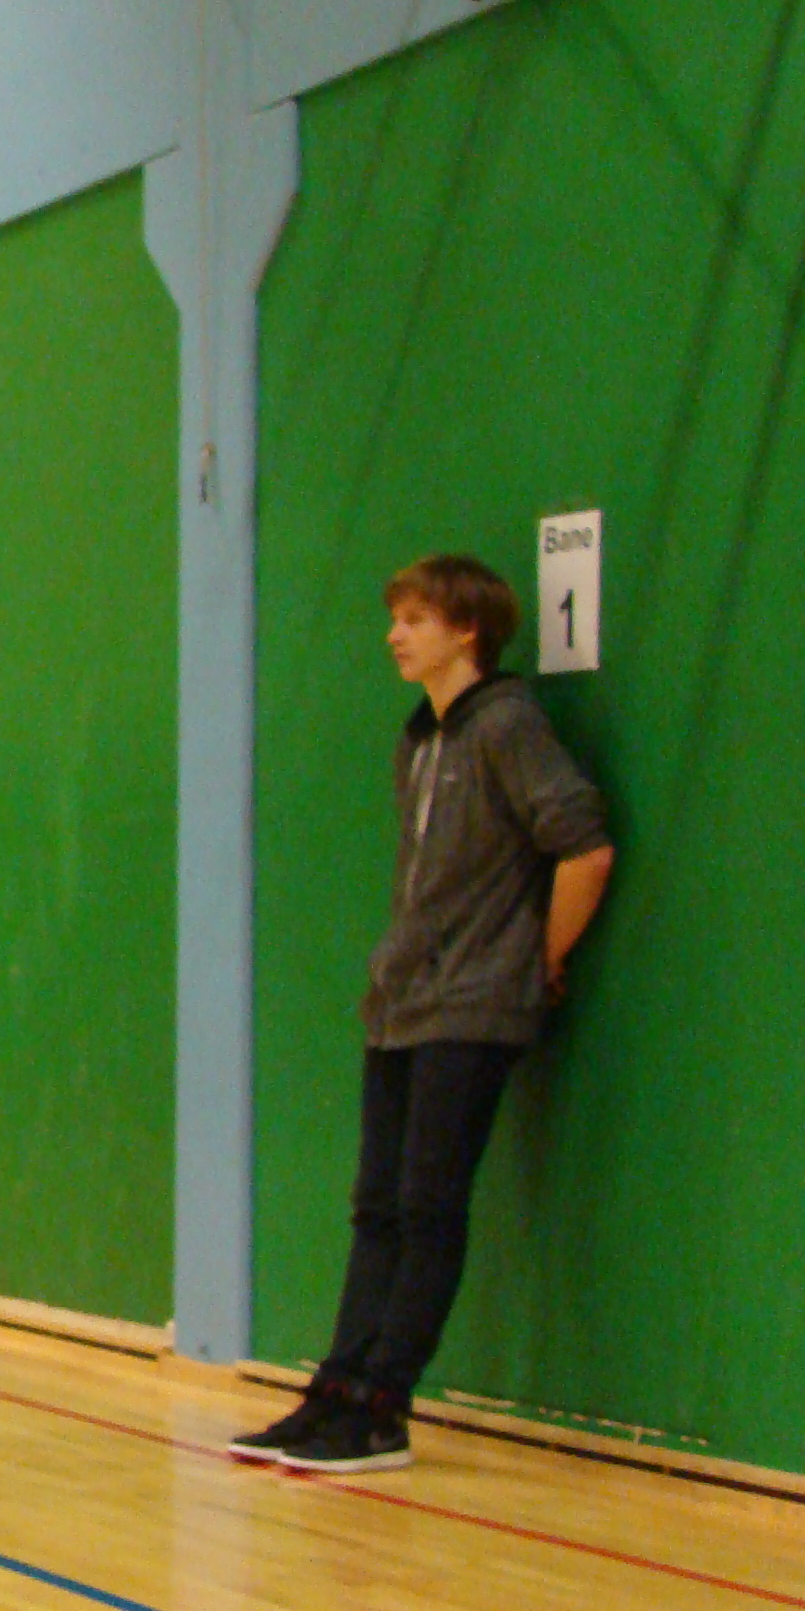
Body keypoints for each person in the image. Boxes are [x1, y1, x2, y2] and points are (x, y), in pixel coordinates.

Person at [235, 556, 614, 1475]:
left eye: (414, 619)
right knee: (377, 1207)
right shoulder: (420, 739)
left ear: (467, 629)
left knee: (428, 1207)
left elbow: (585, 848)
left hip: (474, 1005)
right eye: (395, 617)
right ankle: (335, 1392)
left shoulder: (509, 726)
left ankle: (381, 1410)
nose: (394, 635)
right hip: (401, 1003)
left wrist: (540, 958)